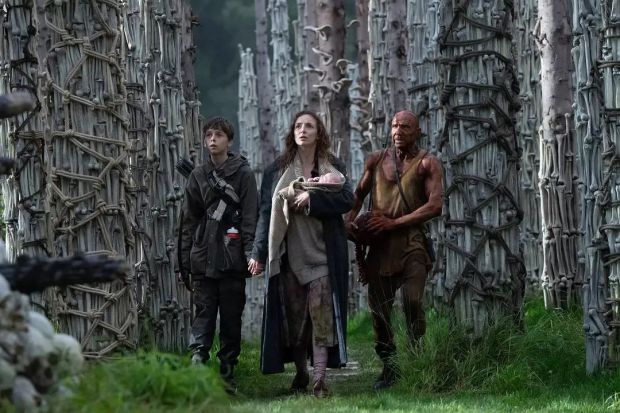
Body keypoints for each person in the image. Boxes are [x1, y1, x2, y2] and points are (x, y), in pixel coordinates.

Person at [248, 111, 353, 397]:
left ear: (319, 133)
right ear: (292, 133)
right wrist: (258, 253)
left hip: (323, 256)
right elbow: (265, 214)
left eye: (309, 126)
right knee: (295, 320)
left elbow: (347, 199)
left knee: (321, 317)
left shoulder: (333, 167)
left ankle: (319, 378)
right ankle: (301, 371)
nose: (302, 130)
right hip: (288, 257)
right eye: (298, 126)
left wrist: (313, 197)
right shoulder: (277, 170)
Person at [345, 110, 443, 390]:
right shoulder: (376, 160)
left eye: (406, 127)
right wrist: (348, 223)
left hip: (412, 243)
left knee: (412, 300)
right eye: (395, 126)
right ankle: (389, 364)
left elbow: (435, 205)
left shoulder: (428, 163)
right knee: (379, 311)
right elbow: (358, 195)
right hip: (379, 246)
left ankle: (416, 355)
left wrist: (394, 223)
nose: (398, 131)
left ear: (418, 132)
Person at [177, 116, 258, 392]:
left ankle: (227, 373)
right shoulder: (198, 175)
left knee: (231, 319)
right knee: (203, 315)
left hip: (233, 258)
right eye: (209, 135)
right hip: (203, 256)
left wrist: (250, 253)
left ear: (229, 141)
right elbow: (188, 220)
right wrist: (184, 261)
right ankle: (197, 369)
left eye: (219, 135)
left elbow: (250, 217)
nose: (213, 139)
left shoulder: (243, 174)